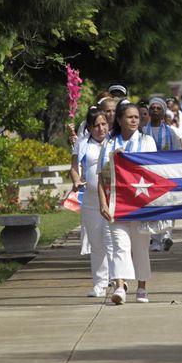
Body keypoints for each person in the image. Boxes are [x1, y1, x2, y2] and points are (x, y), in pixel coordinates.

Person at [98, 102, 156, 304]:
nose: (133, 120)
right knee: (120, 246)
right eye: (129, 117)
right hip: (117, 203)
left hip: (140, 204)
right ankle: (120, 287)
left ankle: (142, 287)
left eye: (136, 117)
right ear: (120, 120)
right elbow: (100, 177)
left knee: (140, 248)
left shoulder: (147, 141)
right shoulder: (108, 143)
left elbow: (153, 172)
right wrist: (103, 203)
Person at [69, 108, 112, 297]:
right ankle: (100, 284)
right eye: (96, 125)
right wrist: (76, 180)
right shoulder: (82, 143)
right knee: (97, 244)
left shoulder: (115, 141)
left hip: (112, 200)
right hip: (91, 200)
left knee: (112, 240)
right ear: (89, 127)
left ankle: (117, 279)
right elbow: (74, 168)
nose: (101, 129)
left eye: (104, 124)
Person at [144, 97, 181, 252]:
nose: (155, 111)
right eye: (152, 108)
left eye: (159, 108)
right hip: (148, 175)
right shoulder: (143, 132)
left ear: (164, 111)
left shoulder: (171, 132)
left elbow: (178, 152)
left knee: (167, 206)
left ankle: (166, 236)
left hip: (166, 175)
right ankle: (155, 240)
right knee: (153, 206)